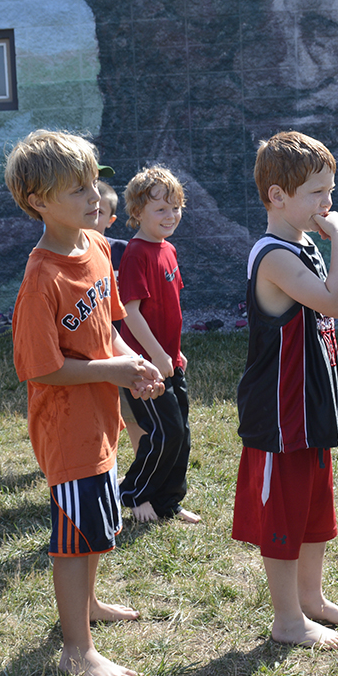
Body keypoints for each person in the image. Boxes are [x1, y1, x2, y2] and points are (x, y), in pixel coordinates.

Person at [6, 129, 164, 676]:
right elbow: (41, 368)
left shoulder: (96, 247)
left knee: (96, 525)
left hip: (101, 419)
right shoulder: (41, 277)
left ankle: (89, 609)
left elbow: (110, 326)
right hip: (66, 427)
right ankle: (78, 650)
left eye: (93, 182)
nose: (93, 195)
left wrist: (132, 363)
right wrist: (114, 370)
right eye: (76, 189)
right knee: (73, 540)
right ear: (39, 202)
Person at [231, 131, 338, 650]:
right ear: (277, 196)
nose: (328, 205)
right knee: (284, 515)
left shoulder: (304, 242)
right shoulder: (272, 255)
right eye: (316, 193)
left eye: (330, 191)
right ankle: (287, 619)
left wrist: (327, 239)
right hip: (281, 413)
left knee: (313, 508)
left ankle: (312, 599)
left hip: (311, 408)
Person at [116, 165, 199, 523]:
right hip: (146, 367)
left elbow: (169, 308)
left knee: (181, 433)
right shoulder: (136, 253)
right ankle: (133, 493)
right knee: (164, 432)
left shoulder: (169, 250)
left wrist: (174, 354)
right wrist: (157, 356)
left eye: (176, 207)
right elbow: (131, 313)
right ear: (137, 213)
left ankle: (168, 501)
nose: (171, 215)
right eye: (160, 209)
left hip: (169, 362)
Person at [89, 175, 146, 450]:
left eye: (100, 211)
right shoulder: (66, 255)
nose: (92, 215)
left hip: (121, 336)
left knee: (132, 408)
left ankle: (140, 460)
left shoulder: (124, 250)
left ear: (111, 219)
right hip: (90, 345)